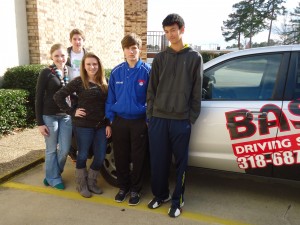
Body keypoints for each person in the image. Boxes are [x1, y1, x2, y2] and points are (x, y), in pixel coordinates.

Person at [146, 13, 203, 218]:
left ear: (182, 30)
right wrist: (151, 116)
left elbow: (197, 91)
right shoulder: (160, 58)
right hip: (159, 119)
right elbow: (151, 90)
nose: (170, 34)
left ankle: (178, 199)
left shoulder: (194, 57)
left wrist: (191, 118)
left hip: (181, 120)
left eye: (173, 30)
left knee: (180, 163)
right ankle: (161, 195)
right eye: (167, 31)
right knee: (158, 161)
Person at [54, 52, 111, 198]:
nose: (92, 67)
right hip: (83, 125)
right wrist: (72, 111)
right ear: (84, 66)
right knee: (83, 155)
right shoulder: (79, 81)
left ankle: (92, 182)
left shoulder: (105, 82)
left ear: (99, 65)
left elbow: (108, 105)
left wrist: (108, 123)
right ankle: (81, 184)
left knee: (99, 156)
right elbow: (58, 96)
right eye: (88, 64)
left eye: (95, 64)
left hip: (100, 125)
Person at [105, 33, 151, 206]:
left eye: (134, 48)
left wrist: (147, 119)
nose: (131, 52)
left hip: (139, 122)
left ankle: (135, 190)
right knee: (121, 156)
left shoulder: (147, 71)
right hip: (120, 121)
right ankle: (123, 187)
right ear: (123, 51)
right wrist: (110, 120)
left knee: (138, 158)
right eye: (128, 48)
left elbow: (151, 98)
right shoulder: (117, 72)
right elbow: (110, 99)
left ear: (139, 50)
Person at [35, 43, 73, 190]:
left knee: (64, 150)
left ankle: (51, 175)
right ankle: (54, 178)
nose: (60, 58)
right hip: (49, 116)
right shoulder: (46, 72)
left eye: (62, 55)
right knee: (51, 149)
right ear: (51, 56)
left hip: (66, 116)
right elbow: (38, 98)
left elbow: (72, 94)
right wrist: (40, 122)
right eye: (56, 55)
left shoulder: (69, 71)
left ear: (67, 56)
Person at [66, 28, 87, 162]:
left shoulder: (87, 54)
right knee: (71, 123)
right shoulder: (66, 54)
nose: (77, 41)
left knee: (83, 121)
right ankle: (72, 152)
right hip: (70, 94)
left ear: (83, 41)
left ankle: (82, 149)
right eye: (75, 39)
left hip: (84, 93)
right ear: (71, 40)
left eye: (80, 39)